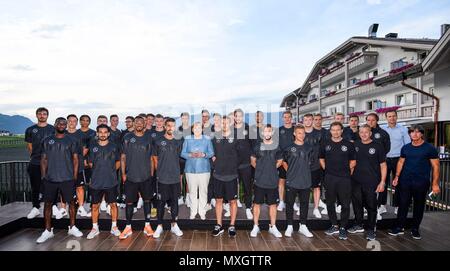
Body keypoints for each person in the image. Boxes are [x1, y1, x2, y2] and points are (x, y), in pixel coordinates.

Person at [389, 125, 440, 240]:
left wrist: (435, 184)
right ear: (409, 134)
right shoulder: (406, 148)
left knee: (419, 205)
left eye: (417, 132)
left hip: (421, 182)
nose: (414, 134)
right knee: (403, 204)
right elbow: (401, 162)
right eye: (412, 132)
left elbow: (436, 166)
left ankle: (415, 229)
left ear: (422, 134)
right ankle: (399, 227)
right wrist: (397, 176)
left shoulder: (429, 148)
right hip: (405, 181)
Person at [36, 117, 83, 243]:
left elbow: (75, 160)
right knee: (48, 204)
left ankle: (72, 227)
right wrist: (43, 176)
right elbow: (43, 159)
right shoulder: (47, 140)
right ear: (55, 124)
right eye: (59, 123)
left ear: (66, 125)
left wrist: (74, 177)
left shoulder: (72, 140)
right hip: (50, 178)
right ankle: (48, 230)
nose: (62, 125)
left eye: (64, 123)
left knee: (72, 203)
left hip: (67, 178)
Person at [348, 124, 387, 241]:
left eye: (366, 132)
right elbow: (351, 163)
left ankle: (371, 229)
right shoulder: (355, 145)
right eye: (361, 132)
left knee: (371, 206)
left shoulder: (378, 146)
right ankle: (358, 224)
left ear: (370, 133)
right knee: (357, 204)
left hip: (372, 182)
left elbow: (383, 165)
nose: (364, 134)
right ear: (359, 134)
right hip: (356, 181)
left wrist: (382, 182)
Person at [119, 116, 154, 239]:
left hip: (145, 176)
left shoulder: (148, 138)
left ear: (144, 124)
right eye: (137, 122)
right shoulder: (127, 138)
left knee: (147, 201)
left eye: (141, 122)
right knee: (129, 202)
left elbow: (151, 158)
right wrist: (123, 174)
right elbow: (123, 157)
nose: (139, 124)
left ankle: (147, 225)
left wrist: (151, 174)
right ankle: (128, 227)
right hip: (131, 176)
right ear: (133, 123)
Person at [320, 122, 356, 240]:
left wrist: (347, 172)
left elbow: (353, 161)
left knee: (345, 204)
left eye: (338, 130)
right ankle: (334, 225)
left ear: (342, 131)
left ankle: (342, 228)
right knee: (330, 203)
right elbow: (321, 158)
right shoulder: (325, 143)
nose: (335, 132)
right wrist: (328, 170)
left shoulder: (349, 145)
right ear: (330, 131)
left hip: (344, 178)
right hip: (330, 177)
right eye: (333, 130)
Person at [86, 124, 121, 239]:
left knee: (113, 205)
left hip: (111, 181)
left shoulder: (114, 146)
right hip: (96, 181)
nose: (102, 134)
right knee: (95, 206)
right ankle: (95, 228)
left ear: (108, 133)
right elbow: (90, 163)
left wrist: (110, 171)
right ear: (97, 133)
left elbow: (118, 162)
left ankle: (114, 227)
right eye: (100, 132)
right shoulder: (92, 147)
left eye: (105, 132)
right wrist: (98, 171)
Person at [152, 118, 184, 238]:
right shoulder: (158, 141)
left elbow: (181, 158)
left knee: (174, 201)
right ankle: (159, 226)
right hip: (162, 177)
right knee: (161, 202)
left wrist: (180, 173)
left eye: (173, 126)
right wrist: (159, 172)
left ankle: (174, 225)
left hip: (175, 177)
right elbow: (155, 159)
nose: (171, 128)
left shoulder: (178, 141)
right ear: (165, 127)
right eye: (169, 125)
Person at [250, 124, 283, 238]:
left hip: (272, 180)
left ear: (272, 132)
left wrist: (271, 169)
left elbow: (279, 161)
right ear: (262, 133)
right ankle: (255, 226)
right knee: (257, 204)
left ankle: (273, 227)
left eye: (269, 131)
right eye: (265, 131)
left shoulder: (276, 146)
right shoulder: (257, 146)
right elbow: (253, 160)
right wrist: (260, 169)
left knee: (273, 204)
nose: (267, 133)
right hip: (259, 180)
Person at [283, 125, 314, 238]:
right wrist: (290, 171)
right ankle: (289, 225)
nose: (302, 135)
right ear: (295, 134)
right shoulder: (288, 148)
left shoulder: (309, 148)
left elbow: (311, 163)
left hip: (305, 180)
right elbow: (284, 162)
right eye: (299, 133)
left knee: (304, 204)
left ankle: (303, 226)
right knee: (290, 204)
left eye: (303, 133)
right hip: (292, 180)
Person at [211, 116, 240, 237]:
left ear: (231, 123)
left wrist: (233, 165)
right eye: (222, 122)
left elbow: (241, 155)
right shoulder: (215, 137)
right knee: (219, 201)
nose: (224, 124)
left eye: (226, 122)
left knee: (233, 201)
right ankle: (219, 225)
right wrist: (214, 160)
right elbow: (211, 152)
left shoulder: (237, 138)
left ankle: (232, 225)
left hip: (232, 175)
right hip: (218, 175)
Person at [25, 107, 55, 219]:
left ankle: (54, 206)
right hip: (35, 162)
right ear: (37, 115)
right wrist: (37, 157)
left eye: (44, 114)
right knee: (35, 186)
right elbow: (29, 147)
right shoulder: (30, 129)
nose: (42, 115)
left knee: (52, 186)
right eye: (40, 114)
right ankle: (35, 208)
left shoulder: (53, 129)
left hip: (51, 163)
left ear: (47, 115)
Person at [181, 122, 214, 220]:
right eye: (195, 128)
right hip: (190, 170)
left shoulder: (207, 139)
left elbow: (211, 152)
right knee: (192, 192)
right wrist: (190, 155)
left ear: (202, 129)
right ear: (192, 129)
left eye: (199, 128)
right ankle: (193, 212)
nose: (197, 129)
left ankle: (202, 212)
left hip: (204, 170)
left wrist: (204, 154)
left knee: (203, 192)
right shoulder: (187, 139)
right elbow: (182, 153)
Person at [380, 110, 411, 215]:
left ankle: (398, 206)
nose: (392, 118)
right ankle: (382, 206)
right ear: (386, 118)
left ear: (396, 117)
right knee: (383, 183)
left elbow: (407, 145)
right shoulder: (382, 129)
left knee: (399, 184)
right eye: (389, 116)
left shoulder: (403, 129)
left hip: (399, 160)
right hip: (385, 160)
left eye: (393, 116)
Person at [66, 114, 90, 217]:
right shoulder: (63, 134)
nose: (72, 123)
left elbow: (84, 151)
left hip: (78, 166)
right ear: (67, 122)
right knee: (65, 187)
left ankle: (81, 207)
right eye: (70, 121)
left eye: (74, 121)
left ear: (77, 122)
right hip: (65, 166)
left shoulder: (81, 135)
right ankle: (63, 208)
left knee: (80, 187)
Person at [303, 114, 327, 218]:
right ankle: (303, 208)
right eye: (306, 120)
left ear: (312, 121)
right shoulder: (300, 133)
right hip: (302, 166)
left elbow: (323, 150)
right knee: (303, 188)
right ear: (303, 121)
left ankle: (316, 208)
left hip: (316, 166)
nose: (308, 121)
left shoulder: (319, 134)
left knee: (316, 187)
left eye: (309, 119)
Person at [234, 108, 254, 219]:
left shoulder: (248, 128)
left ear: (243, 117)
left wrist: (252, 158)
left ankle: (248, 208)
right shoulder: (230, 129)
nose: (238, 118)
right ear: (234, 117)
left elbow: (253, 144)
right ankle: (233, 205)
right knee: (233, 187)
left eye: (240, 116)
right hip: (233, 164)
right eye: (236, 116)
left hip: (246, 164)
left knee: (247, 187)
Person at [276, 111, 294, 212]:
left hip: (294, 160)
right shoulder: (279, 130)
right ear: (282, 118)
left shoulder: (296, 129)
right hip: (282, 160)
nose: (287, 119)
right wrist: (281, 159)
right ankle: (281, 201)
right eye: (285, 117)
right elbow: (276, 145)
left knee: (293, 182)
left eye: (288, 117)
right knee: (281, 181)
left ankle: (292, 202)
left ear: (291, 118)